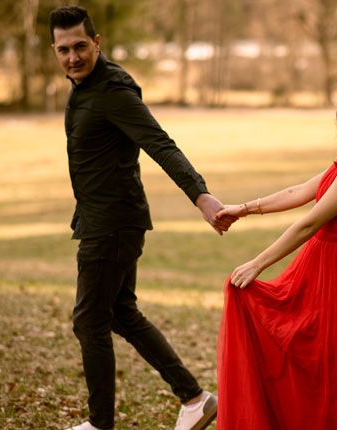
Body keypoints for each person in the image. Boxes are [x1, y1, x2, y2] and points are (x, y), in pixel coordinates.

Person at [49, 6, 233, 430]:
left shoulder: (112, 90)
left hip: (112, 223)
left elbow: (159, 143)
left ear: (96, 43)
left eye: (80, 46)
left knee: (89, 320)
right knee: (119, 312)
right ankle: (195, 399)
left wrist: (200, 195)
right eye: (64, 49)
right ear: (54, 50)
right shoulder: (83, 87)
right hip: (105, 218)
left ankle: (100, 424)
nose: (73, 56)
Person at [215, 71, 337, 429]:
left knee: (328, 374)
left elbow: (309, 222)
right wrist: (243, 209)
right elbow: (299, 191)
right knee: (320, 369)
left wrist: (257, 264)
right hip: (327, 266)